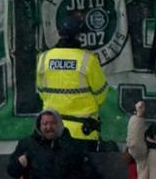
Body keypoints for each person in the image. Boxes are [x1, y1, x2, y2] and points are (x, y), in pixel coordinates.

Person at [6, 110, 109, 179]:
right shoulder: (27, 145)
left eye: (53, 123)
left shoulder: (73, 146)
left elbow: (89, 175)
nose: (49, 127)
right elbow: (12, 171)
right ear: (39, 125)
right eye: (45, 124)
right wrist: (19, 164)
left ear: (59, 125)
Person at [35, 15, 107, 150]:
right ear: (80, 35)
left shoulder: (44, 58)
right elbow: (101, 93)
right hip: (82, 133)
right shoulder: (88, 60)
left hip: (52, 132)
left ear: (59, 33)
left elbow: (41, 92)